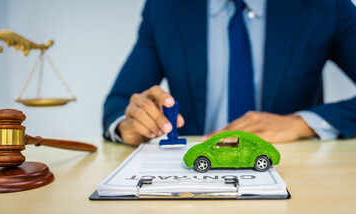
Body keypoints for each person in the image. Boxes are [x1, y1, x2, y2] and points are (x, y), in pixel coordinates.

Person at [103, 0, 356, 146]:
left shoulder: (327, 5)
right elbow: (118, 102)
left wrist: (302, 123)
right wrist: (129, 123)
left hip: (291, 176)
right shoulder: (165, 8)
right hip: (194, 181)